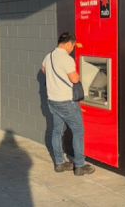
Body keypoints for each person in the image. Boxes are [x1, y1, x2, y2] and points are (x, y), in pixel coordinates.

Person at [41, 32, 94, 176]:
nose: (72, 49)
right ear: (69, 43)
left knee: (57, 131)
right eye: (73, 46)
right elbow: (75, 79)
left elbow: (43, 69)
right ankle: (80, 165)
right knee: (78, 131)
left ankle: (59, 163)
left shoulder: (49, 56)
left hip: (53, 101)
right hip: (67, 102)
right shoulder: (67, 59)